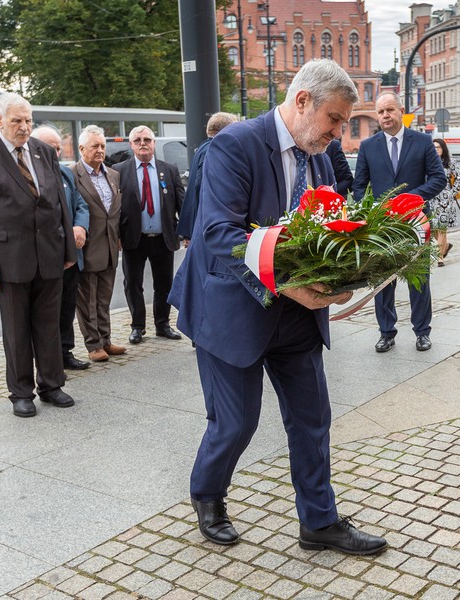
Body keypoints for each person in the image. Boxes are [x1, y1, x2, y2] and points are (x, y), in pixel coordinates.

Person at [169, 59, 387, 555]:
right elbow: (220, 234)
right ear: (303, 101)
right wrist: (291, 284)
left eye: (344, 124)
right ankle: (207, 494)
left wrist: (345, 272)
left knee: (313, 418)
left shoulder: (321, 157)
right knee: (236, 421)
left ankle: (319, 521)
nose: (338, 133)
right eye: (334, 119)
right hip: (231, 307)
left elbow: (330, 227)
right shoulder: (235, 145)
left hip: (296, 313)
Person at [0, 93, 77, 418]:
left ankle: (52, 385)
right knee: (16, 329)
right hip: (7, 260)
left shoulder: (43, 151)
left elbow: (59, 205)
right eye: (17, 121)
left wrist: (68, 248)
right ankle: (21, 392)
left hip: (50, 256)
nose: (25, 127)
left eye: (28, 120)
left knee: (49, 325)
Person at [352, 92, 447, 353]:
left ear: (401, 111)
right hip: (382, 226)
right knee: (383, 280)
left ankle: (422, 332)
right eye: (381, 111)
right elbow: (358, 186)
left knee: (419, 279)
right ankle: (386, 332)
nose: (385, 115)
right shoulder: (368, 146)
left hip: (415, 221)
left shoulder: (423, 141)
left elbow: (438, 178)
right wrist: (372, 209)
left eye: (390, 110)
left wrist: (411, 198)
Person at [113, 126, 185, 344]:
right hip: (133, 237)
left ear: (154, 143)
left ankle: (162, 325)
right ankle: (137, 327)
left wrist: (187, 231)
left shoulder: (170, 170)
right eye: (137, 140)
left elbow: (182, 203)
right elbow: (113, 208)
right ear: (131, 144)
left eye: (147, 139)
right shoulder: (118, 171)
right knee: (133, 283)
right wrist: (115, 235)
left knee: (164, 284)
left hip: (163, 237)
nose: (142, 143)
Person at [29, 126, 91, 370]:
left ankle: (65, 352)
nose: (55, 152)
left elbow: (81, 204)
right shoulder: (29, 175)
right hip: (45, 258)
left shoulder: (65, 174)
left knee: (67, 308)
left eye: (57, 147)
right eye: (50, 147)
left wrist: (80, 227)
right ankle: (46, 358)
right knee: (46, 312)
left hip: (70, 256)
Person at [72, 125, 127, 362]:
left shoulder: (113, 175)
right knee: (86, 301)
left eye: (103, 146)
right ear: (81, 148)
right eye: (95, 146)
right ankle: (93, 344)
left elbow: (115, 212)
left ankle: (106, 339)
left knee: (104, 298)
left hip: (110, 247)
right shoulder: (73, 175)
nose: (100, 150)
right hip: (86, 247)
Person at [176, 112, 239, 247]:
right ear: (228, 130)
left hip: (198, 226)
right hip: (206, 228)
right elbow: (200, 187)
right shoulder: (215, 150)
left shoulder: (202, 148)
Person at [431, 137, 460, 267]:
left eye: (437, 147)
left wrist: (451, 194)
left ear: (443, 148)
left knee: (441, 229)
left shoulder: (450, 162)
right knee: (433, 230)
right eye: (433, 147)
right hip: (431, 199)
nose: (435, 150)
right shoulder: (429, 162)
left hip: (445, 200)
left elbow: (459, 179)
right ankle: (446, 246)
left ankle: (440, 257)